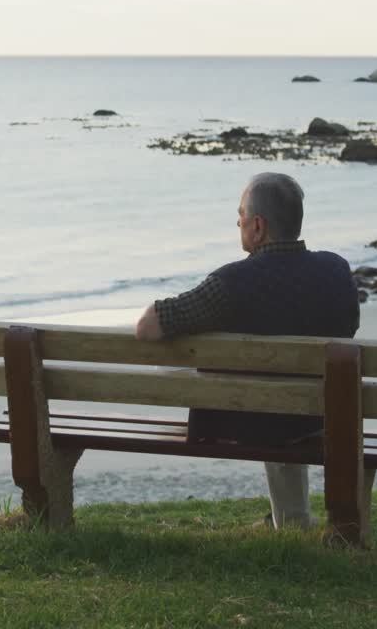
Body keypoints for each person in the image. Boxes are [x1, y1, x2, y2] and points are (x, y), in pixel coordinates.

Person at [134, 172, 360, 528]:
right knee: (287, 389)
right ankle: (293, 518)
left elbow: (148, 327)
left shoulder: (230, 284)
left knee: (181, 366)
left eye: (240, 214)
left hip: (247, 418)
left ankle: (291, 518)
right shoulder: (336, 271)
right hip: (322, 412)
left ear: (257, 226)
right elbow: (348, 329)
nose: (236, 221)